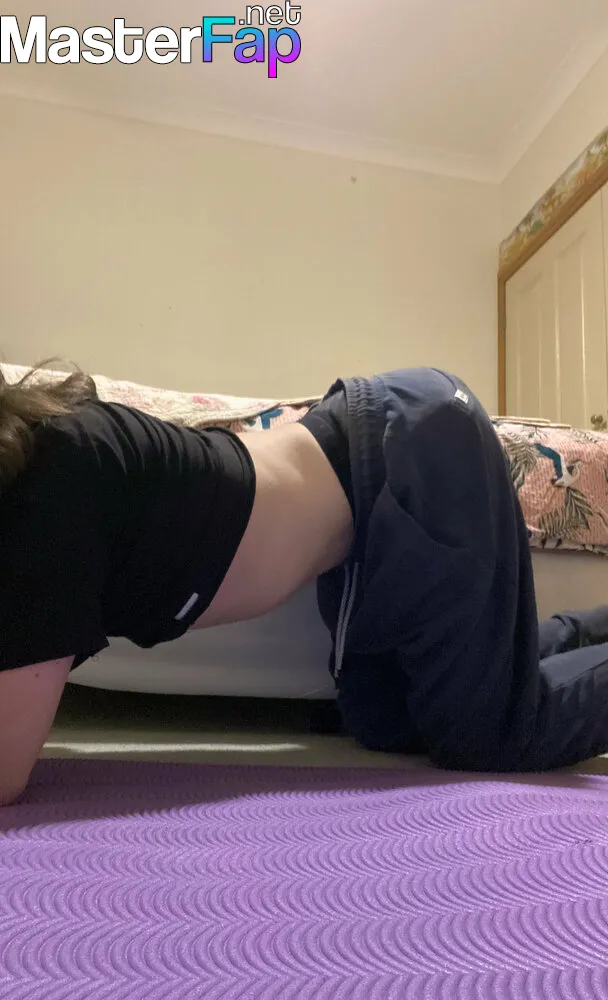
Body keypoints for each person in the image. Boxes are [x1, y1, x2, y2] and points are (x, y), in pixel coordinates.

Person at [2, 363, 608, 806]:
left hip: (411, 453)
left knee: (490, 735)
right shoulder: (44, 463)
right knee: (385, 722)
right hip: (383, 464)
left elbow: (6, 775)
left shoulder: (39, 499)